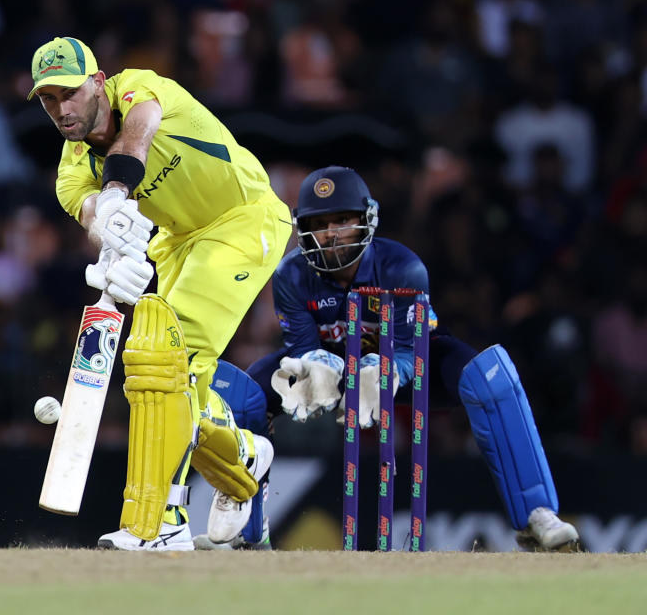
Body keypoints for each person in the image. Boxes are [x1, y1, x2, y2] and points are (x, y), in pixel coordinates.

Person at [199, 166, 579, 551]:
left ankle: (536, 516)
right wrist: (316, 370)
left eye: (343, 221)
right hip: (331, 366)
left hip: (408, 361)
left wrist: (386, 371)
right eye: (320, 223)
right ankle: (248, 535)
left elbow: (406, 346)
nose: (331, 234)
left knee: (489, 378)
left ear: (367, 220)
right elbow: (302, 345)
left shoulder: (403, 267)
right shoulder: (290, 275)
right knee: (243, 393)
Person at [28, 37, 292, 550]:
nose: (61, 109)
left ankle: (161, 521)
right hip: (176, 242)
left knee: (167, 360)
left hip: (242, 219)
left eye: (70, 93)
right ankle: (242, 459)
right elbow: (92, 219)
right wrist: (114, 250)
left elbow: (135, 142)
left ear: (99, 82)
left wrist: (114, 198)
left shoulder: (142, 88)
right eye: (48, 99)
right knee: (158, 376)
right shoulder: (71, 170)